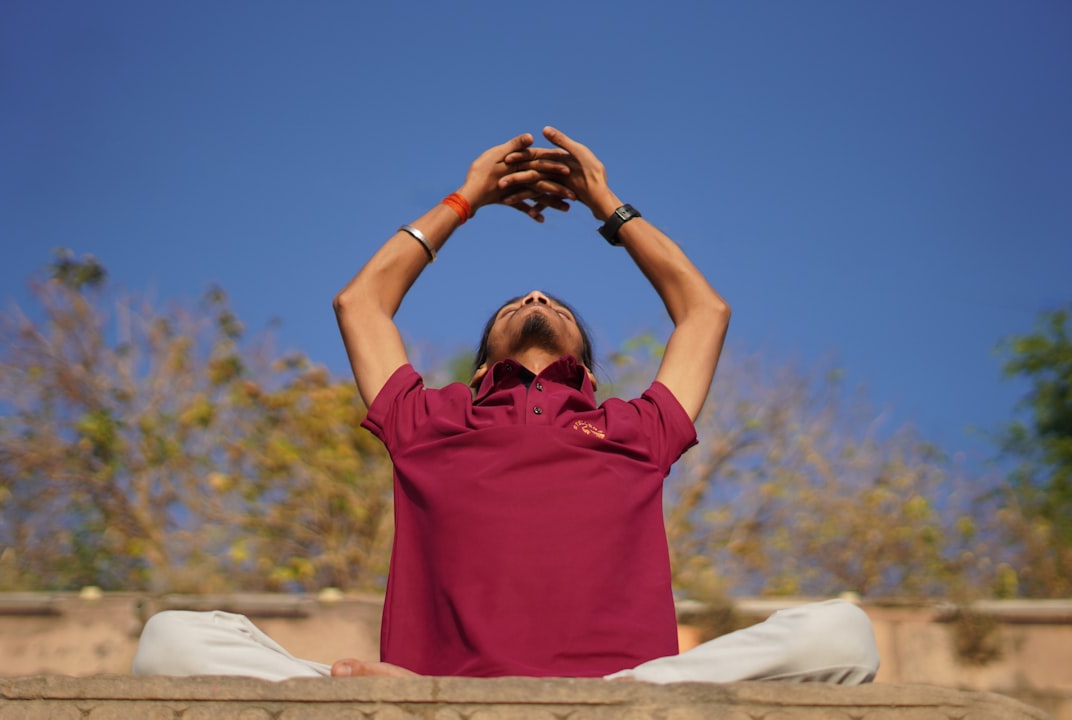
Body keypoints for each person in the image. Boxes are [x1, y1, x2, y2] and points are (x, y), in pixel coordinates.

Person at [132, 127, 880, 684]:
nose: (533, 295)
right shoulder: (427, 419)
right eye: (517, 299)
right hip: (426, 699)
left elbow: (703, 313)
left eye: (552, 300)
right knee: (171, 640)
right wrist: (466, 199)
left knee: (843, 635)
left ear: (584, 356)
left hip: (622, 698)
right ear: (484, 354)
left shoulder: (638, 428)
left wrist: (605, 202)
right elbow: (360, 302)